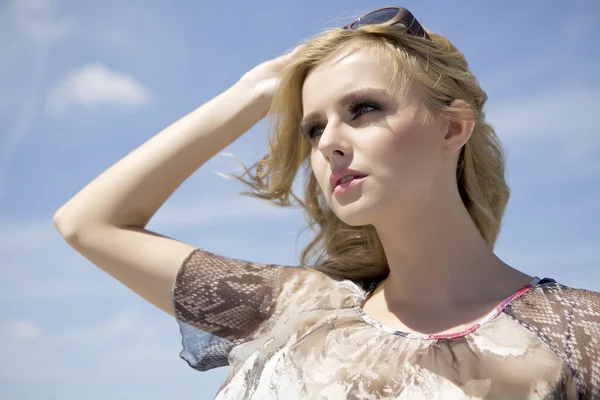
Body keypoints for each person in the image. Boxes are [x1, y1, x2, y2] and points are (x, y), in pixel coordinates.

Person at [53, 6, 599, 399]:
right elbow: (88, 223)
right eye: (314, 127)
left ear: (452, 126)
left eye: (362, 108)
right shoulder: (292, 309)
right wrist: (253, 92)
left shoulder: (580, 331)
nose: (330, 142)